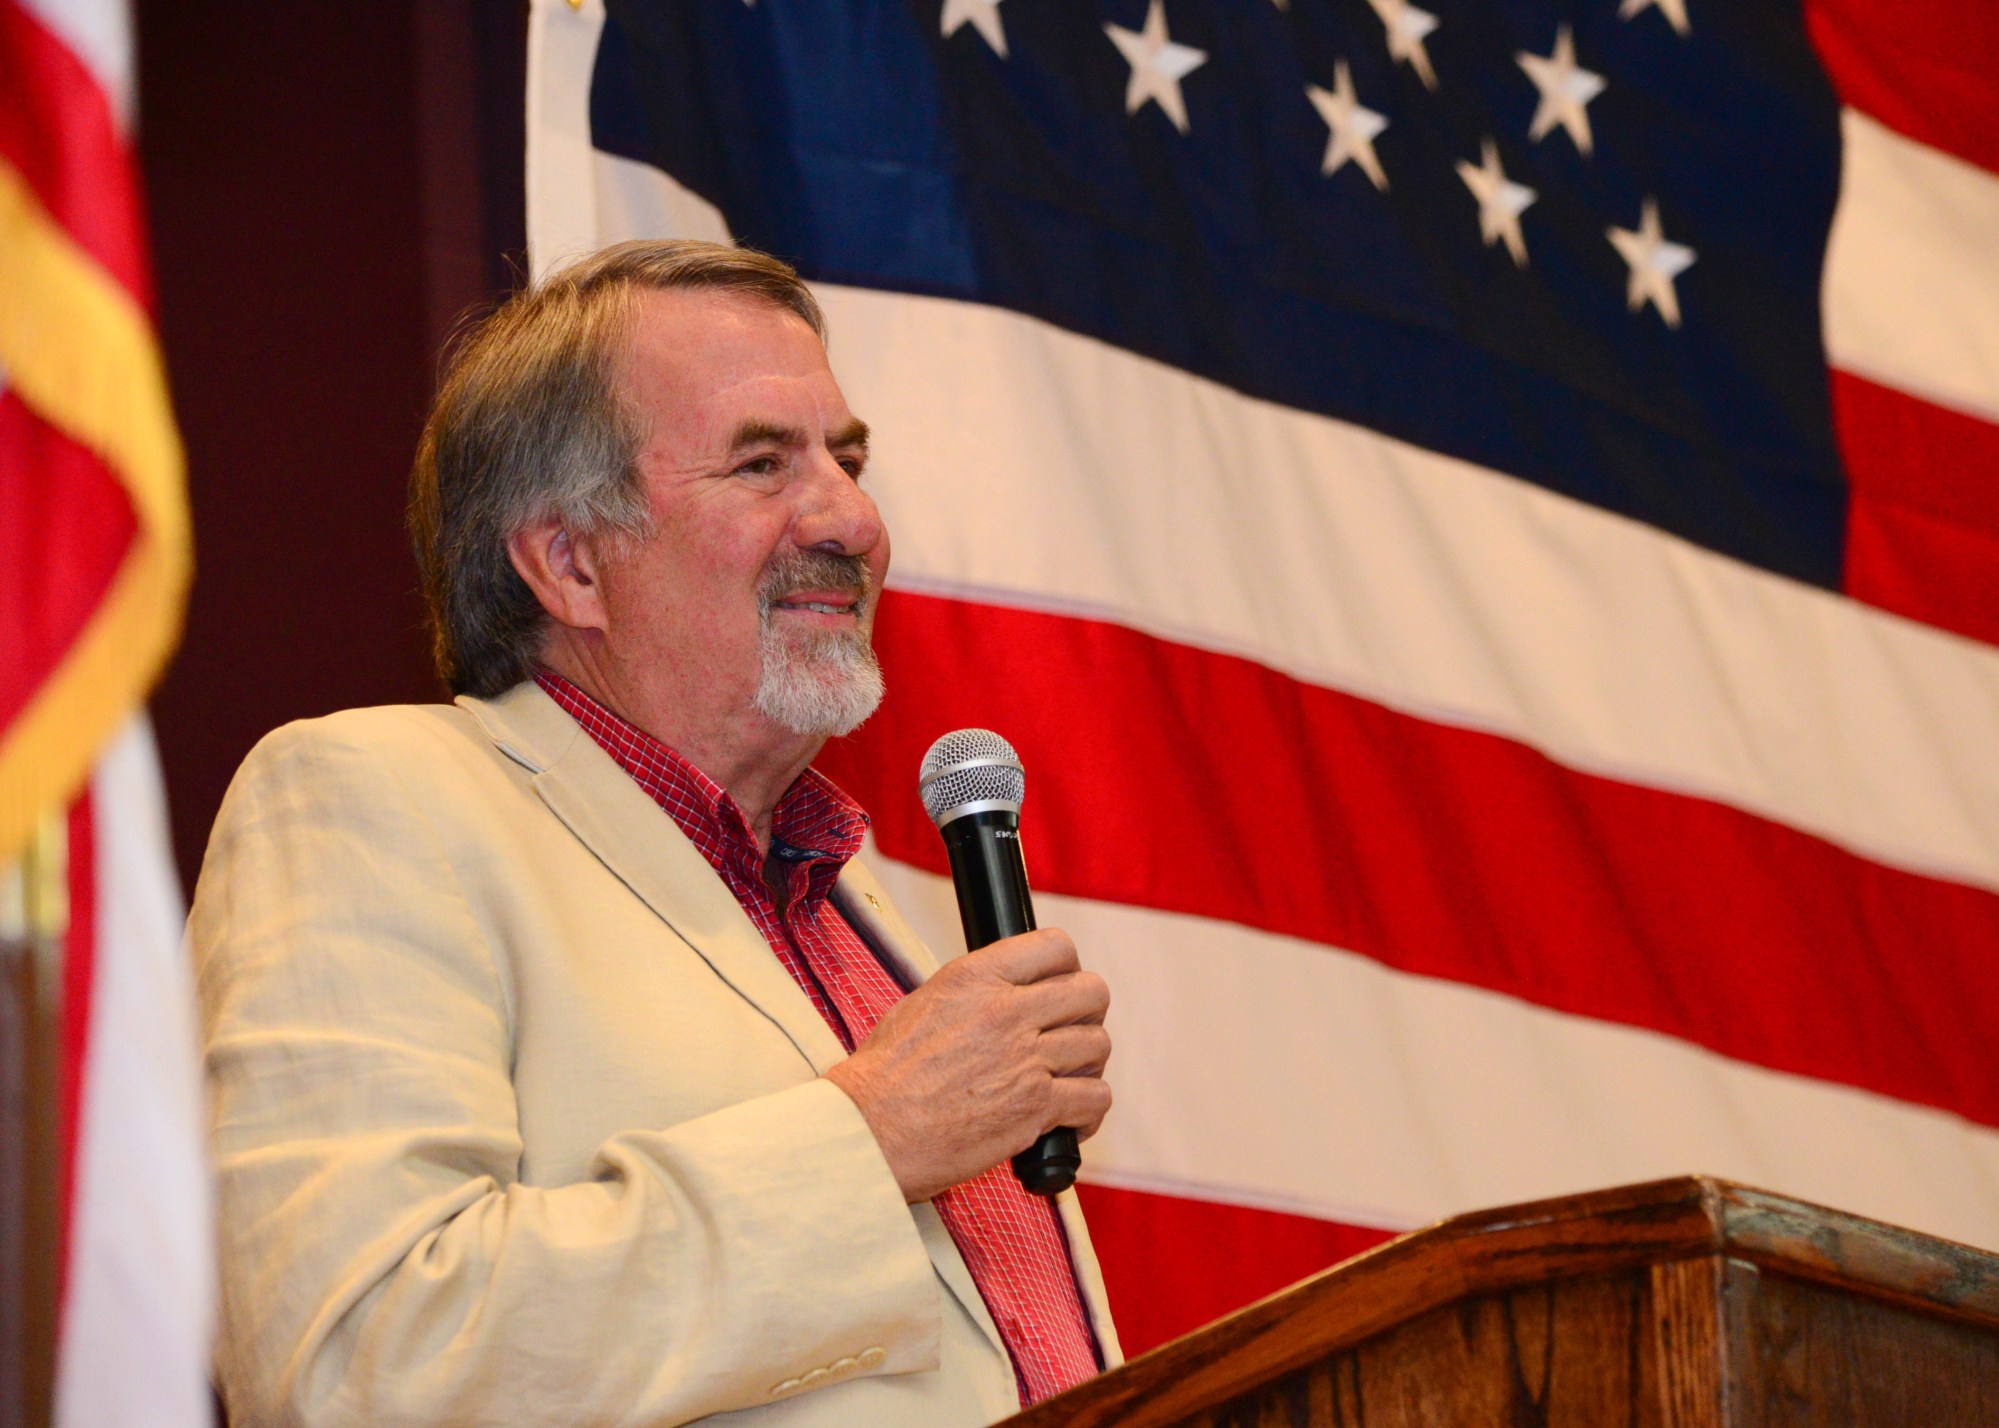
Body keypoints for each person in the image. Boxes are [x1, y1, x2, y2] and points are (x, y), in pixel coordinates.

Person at [189, 239, 1119, 1427]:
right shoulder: (375, 798)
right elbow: (359, 1361)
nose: (850, 515)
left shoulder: (857, 903)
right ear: (570, 562)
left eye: (848, 457)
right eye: (761, 463)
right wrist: (871, 1135)